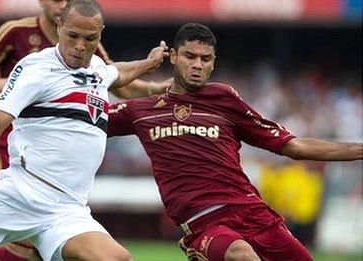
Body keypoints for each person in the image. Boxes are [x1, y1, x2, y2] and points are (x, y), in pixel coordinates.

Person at [0, 1, 169, 260]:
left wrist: (149, 64)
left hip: (67, 210)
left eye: (90, 38)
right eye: (73, 36)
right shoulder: (36, 68)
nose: (80, 46)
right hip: (21, 195)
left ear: (100, 32)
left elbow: (118, 72)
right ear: (60, 25)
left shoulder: (98, 68)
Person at [107, 23, 363, 261]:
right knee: (242, 255)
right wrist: (141, 67)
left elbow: (292, 146)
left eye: (205, 59)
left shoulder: (224, 98)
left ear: (213, 63)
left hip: (253, 213)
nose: (197, 65)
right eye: (190, 56)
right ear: (173, 56)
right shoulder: (142, 111)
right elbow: (87, 114)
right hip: (204, 224)